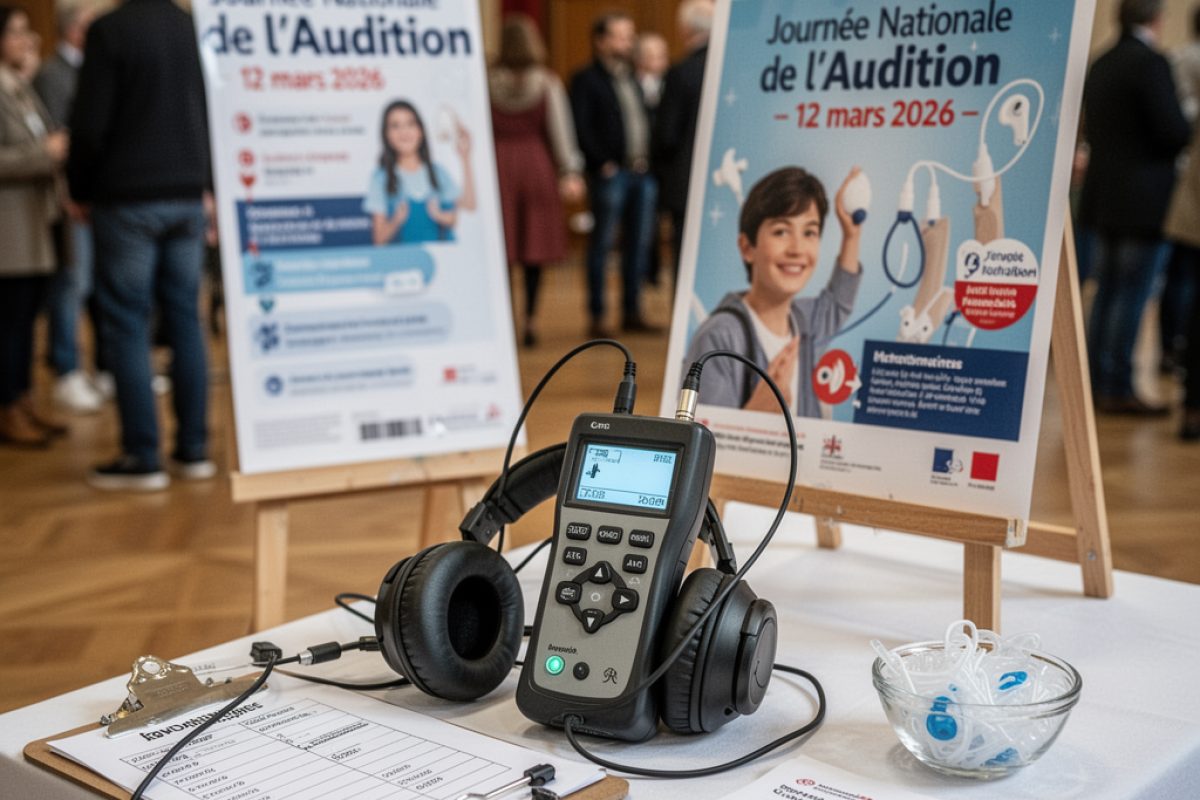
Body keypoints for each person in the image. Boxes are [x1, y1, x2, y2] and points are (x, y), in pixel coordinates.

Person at [67, 0, 214, 489]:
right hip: (186, 194)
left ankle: (142, 456)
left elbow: (89, 126)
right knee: (185, 319)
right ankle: (194, 451)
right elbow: (208, 108)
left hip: (127, 199)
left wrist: (80, 190)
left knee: (127, 323)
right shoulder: (189, 26)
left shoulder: (109, 30)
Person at [1079, 0, 1190, 415]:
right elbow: (1171, 130)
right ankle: (1118, 386)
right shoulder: (1150, 63)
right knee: (1131, 295)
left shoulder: (1101, 62)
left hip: (1104, 197)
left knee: (1106, 291)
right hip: (1143, 201)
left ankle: (1094, 381)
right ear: (1156, 20)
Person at [683, 167, 863, 418]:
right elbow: (699, 448)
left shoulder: (804, 322)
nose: (797, 249)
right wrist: (757, 413)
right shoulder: (719, 338)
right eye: (781, 231)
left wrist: (851, 236)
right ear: (747, 248)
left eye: (809, 232)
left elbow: (838, 302)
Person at [488, 14, 584, 347]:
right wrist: (570, 169)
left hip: (497, 168)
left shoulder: (487, 82)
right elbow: (561, 132)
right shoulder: (546, 83)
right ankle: (529, 320)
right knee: (533, 247)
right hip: (535, 166)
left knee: (503, 250)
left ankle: (503, 321)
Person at [0, 5, 69, 447]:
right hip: (9, 231)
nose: (27, 40)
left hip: (33, 224)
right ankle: (8, 410)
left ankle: (23, 401)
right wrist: (47, 153)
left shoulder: (16, 86)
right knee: (8, 323)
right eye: (17, 32)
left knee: (25, 321)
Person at [34, 0, 105, 414]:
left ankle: (94, 368)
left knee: (91, 285)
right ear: (74, 30)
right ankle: (66, 369)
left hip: (94, 198)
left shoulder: (84, 68)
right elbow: (57, 139)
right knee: (72, 285)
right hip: (69, 198)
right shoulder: (53, 74)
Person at [570, 12, 658, 337]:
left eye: (629, 35)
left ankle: (632, 311)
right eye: (620, 36)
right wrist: (600, 162)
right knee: (603, 243)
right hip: (611, 174)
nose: (627, 42)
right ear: (601, 41)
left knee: (639, 243)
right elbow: (581, 126)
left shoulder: (634, 78)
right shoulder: (586, 80)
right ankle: (597, 314)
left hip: (641, 172)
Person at [653, 0, 714, 282]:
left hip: (685, 180)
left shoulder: (682, 72)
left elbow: (667, 134)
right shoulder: (732, 67)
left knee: (685, 257)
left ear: (685, 29)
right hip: (723, 176)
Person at [364, 100, 476, 245]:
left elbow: (469, 204)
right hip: (404, 261)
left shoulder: (437, 172)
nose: (404, 132)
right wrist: (396, 220)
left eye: (410, 124)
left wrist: (465, 158)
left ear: (421, 130)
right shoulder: (380, 178)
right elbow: (379, 239)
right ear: (386, 135)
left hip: (443, 258)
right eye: (395, 126)